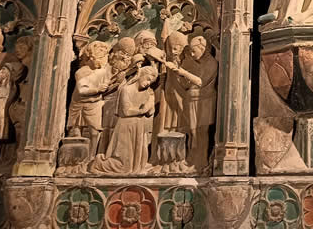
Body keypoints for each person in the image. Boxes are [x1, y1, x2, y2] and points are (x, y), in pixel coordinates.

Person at [89, 66, 158, 175]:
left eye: (151, 82)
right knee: (123, 164)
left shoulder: (147, 92)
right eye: (148, 79)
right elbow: (126, 112)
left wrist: (151, 100)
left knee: (139, 163)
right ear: (140, 75)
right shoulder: (126, 89)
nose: (148, 83)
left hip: (139, 127)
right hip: (126, 126)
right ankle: (98, 163)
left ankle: (137, 167)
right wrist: (142, 111)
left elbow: (150, 112)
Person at [165, 35, 218, 173]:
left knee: (201, 132)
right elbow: (187, 84)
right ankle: (191, 159)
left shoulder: (212, 63)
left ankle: (200, 162)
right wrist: (178, 73)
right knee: (192, 131)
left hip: (204, 101)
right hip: (191, 100)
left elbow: (200, 81)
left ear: (203, 48)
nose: (192, 54)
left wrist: (183, 72)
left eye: (194, 51)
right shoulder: (196, 64)